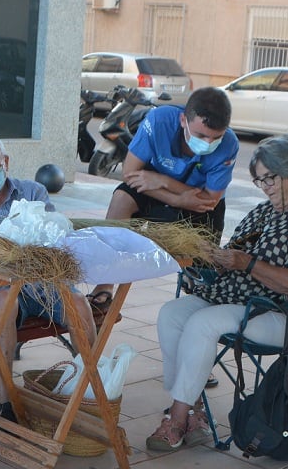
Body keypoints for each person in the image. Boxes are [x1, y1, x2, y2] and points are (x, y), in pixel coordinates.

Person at [150, 134, 288, 450]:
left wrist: (247, 264)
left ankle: (177, 419)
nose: (266, 187)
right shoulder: (264, 212)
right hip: (241, 299)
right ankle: (193, 408)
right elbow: (238, 251)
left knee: (204, 324)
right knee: (171, 313)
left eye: (271, 178)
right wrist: (215, 258)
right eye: (259, 181)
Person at [0, 133, 96, 421]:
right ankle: (7, 399)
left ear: (6, 162)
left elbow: (51, 239)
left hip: (39, 280)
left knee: (78, 303)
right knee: (5, 299)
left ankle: (89, 390)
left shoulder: (33, 192)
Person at [86, 87, 240, 310]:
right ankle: (105, 285)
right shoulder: (159, 120)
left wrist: (163, 181)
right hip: (153, 191)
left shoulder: (229, 144)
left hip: (198, 206)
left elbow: (209, 200)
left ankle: (197, 290)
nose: (208, 143)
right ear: (183, 120)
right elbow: (130, 172)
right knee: (121, 198)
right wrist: (176, 198)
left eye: (216, 137)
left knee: (206, 266)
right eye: (201, 135)